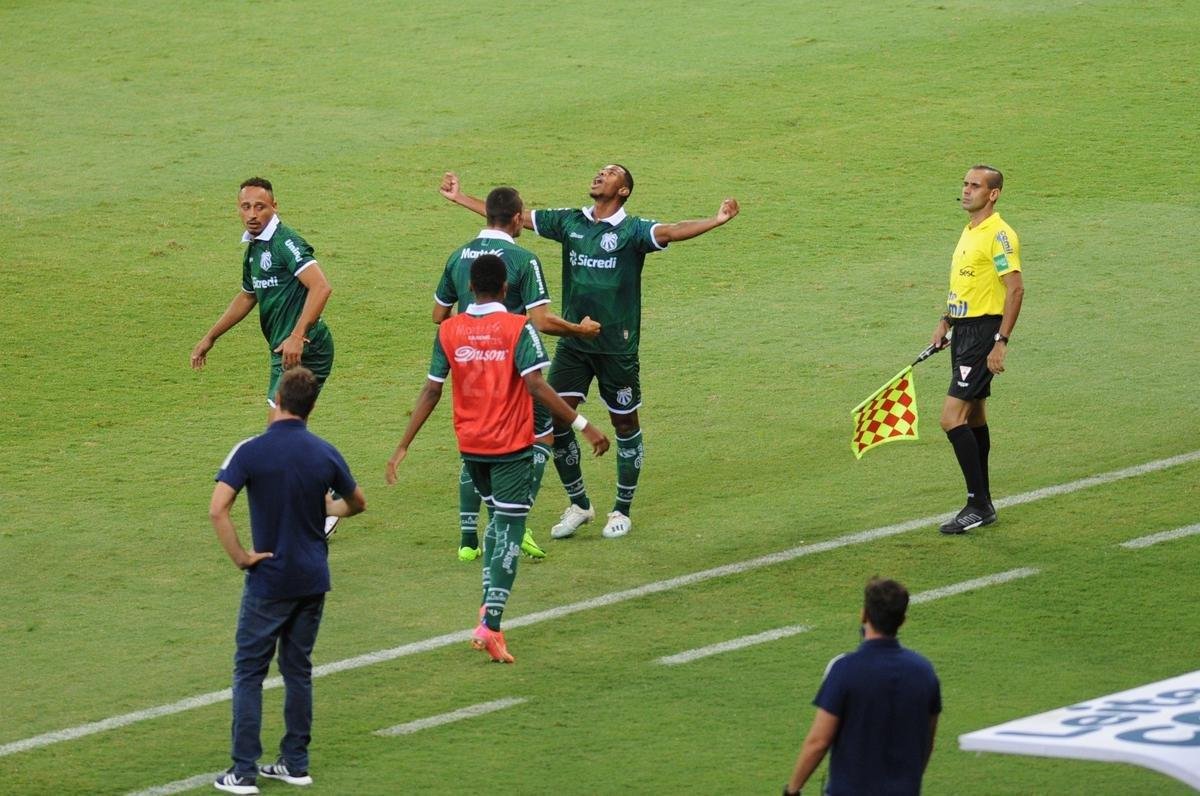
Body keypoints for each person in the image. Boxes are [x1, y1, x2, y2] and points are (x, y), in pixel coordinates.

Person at [440, 166, 738, 540]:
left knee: (625, 424)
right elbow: (511, 218)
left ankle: (622, 509)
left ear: (623, 190)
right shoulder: (570, 222)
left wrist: (716, 220)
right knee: (556, 419)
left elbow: (673, 230)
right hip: (575, 346)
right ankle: (579, 504)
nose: (600, 175)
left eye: (610, 173)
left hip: (617, 349)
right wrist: (461, 198)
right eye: (600, 171)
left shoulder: (632, 231)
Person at [387, 255, 609, 663]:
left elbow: (431, 390)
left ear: (471, 288)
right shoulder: (517, 326)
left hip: (471, 449)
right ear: (505, 289)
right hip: (509, 448)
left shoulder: (449, 330)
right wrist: (584, 425)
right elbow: (537, 386)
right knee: (509, 529)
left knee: (496, 525)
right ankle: (491, 624)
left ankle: (487, 607)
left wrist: (404, 445)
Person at [209, 367, 367, 795]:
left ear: (278, 398)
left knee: (248, 672)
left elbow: (217, 508)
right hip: (313, 578)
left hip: (269, 581)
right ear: (311, 406)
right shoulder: (324, 453)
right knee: (298, 671)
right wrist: (327, 511)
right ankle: (295, 763)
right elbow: (357, 502)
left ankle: (243, 771)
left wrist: (242, 557)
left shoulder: (250, 451)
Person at [434, 188, 601, 562]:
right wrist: (581, 330)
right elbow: (541, 322)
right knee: (540, 437)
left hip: (470, 364)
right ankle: (515, 525)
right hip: (513, 364)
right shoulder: (523, 259)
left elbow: (438, 314)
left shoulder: (458, 255)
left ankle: (467, 539)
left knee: (476, 445)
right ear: (516, 217)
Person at [191, 177, 342, 539]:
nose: (253, 214)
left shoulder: (285, 242)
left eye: (260, 206)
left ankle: (323, 505)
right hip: (284, 353)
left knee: (281, 431)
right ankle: (320, 502)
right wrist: (211, 336)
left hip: (306, 348)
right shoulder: (254, 251)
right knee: (285, 432)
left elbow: (322, 287)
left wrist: (297, 334)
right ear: (238, 210)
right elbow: (247, 297)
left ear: (275, 207)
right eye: (246, 207)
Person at [930, 165, 1025, 534]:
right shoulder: (970, 231)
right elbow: (967, 284)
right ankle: (983, 503)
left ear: (994, 194)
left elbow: (1014, 289)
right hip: (965, 329)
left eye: (975, 186)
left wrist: (1000, 342)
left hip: (985, 332)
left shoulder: (999, 235)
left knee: (951, 418)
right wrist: (946, 319)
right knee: (974, 417)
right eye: (965, 184)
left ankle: (977, 503)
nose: (967, 191)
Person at [784, 578, 941, 796]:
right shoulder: (924, 671)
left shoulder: (845, 670)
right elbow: (926, 741)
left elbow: (819, 741)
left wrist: (792, 789)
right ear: (902, 620)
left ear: (864, 614)